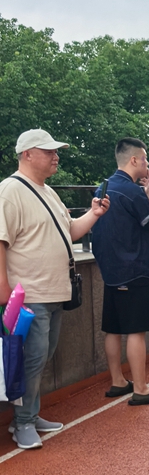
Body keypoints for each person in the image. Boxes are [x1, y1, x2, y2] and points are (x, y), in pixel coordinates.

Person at [0, 129, 110, 449]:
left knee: (41, 358)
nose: (55, 156)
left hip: (53, 291)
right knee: (30, 361)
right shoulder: (10, 191)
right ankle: (22, 422)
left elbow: (70, 231)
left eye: (55, 151)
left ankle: (30, 416)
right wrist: (3, 286)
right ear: (27, 154)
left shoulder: (48, 192)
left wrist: (94, 213)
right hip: (28, 294)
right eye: (48, 151)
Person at [91, 138, 149, 405]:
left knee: (113, 329)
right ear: (134, 160)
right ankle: (140, 388)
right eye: (146, 159)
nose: (147, 164)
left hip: (110, 270)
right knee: (136, 331)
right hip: (134, 269)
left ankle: (117, 381)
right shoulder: (132, 191)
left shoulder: (101, 188)